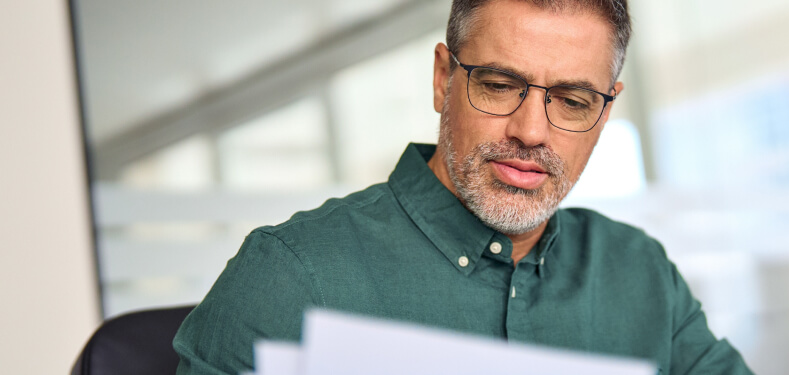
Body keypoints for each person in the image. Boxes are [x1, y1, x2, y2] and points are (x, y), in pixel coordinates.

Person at [173, 0, 753, 374]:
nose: (531, 132)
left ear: (604, 112)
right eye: (500, 85)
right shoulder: (291, 273)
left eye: (572, 101)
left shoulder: (640, 274)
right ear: (442, 79)